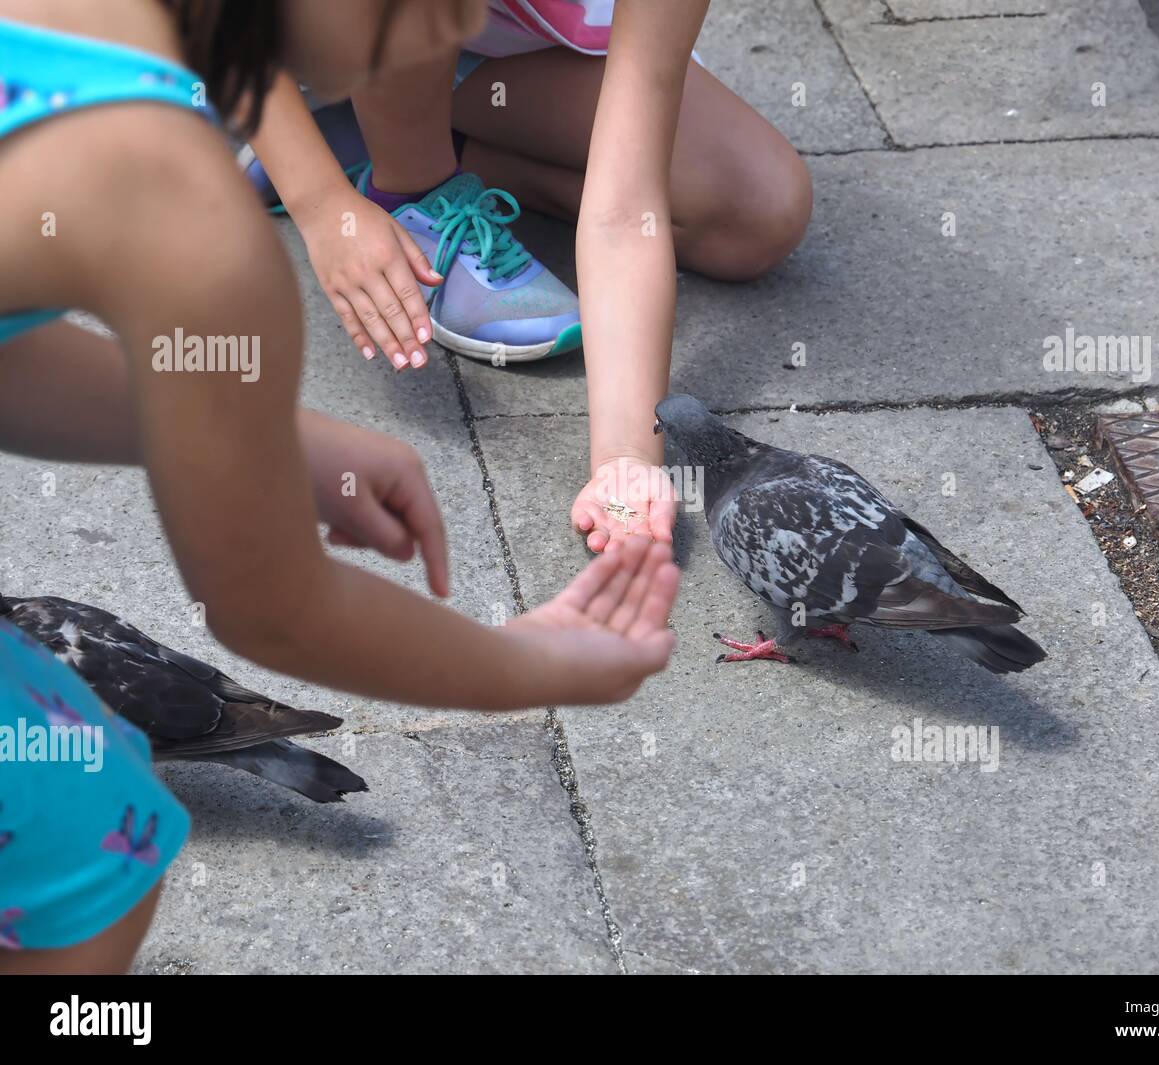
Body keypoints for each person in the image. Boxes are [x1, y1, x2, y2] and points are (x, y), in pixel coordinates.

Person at [0, 0, 679, 974]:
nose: (451, 48)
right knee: (91, 839)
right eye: (444, 7)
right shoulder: (178, 210)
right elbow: (278, 613)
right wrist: (536, 665)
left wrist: (265, 436)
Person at [246, 0, 813, 554]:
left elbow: (624, 208)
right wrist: (320, 205)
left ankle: (362, 128)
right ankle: (407, 177)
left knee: (756, 214)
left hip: (514, 49)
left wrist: (625, 458)